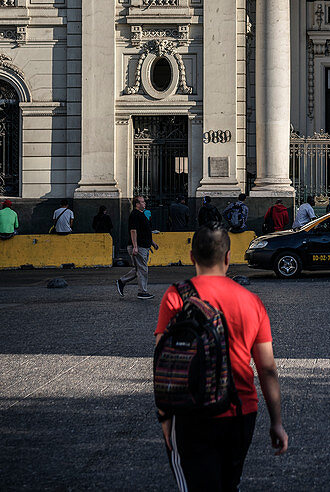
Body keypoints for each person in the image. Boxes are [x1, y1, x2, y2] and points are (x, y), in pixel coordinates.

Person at [155, 225, 288, 491]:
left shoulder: (176, 296)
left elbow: (163, 364)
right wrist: (276, 423)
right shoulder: (251, 301)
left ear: (192, 256)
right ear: (228, 257)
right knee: (229, 484)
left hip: (191, 411)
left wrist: (165, 418)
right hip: (241, 411)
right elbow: (268, 370)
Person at [116, 195, 158, 300]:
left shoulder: (142, 215)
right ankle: (142, 292)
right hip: (139, 246)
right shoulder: (134, 215)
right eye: (143, 202)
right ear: (137, 204)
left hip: (144, 245)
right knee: (143, 269)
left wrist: (152, 243)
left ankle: (122, 281)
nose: (145, 203)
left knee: (139, 269)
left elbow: (145, 231)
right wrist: (135, 246)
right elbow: (133, 231)